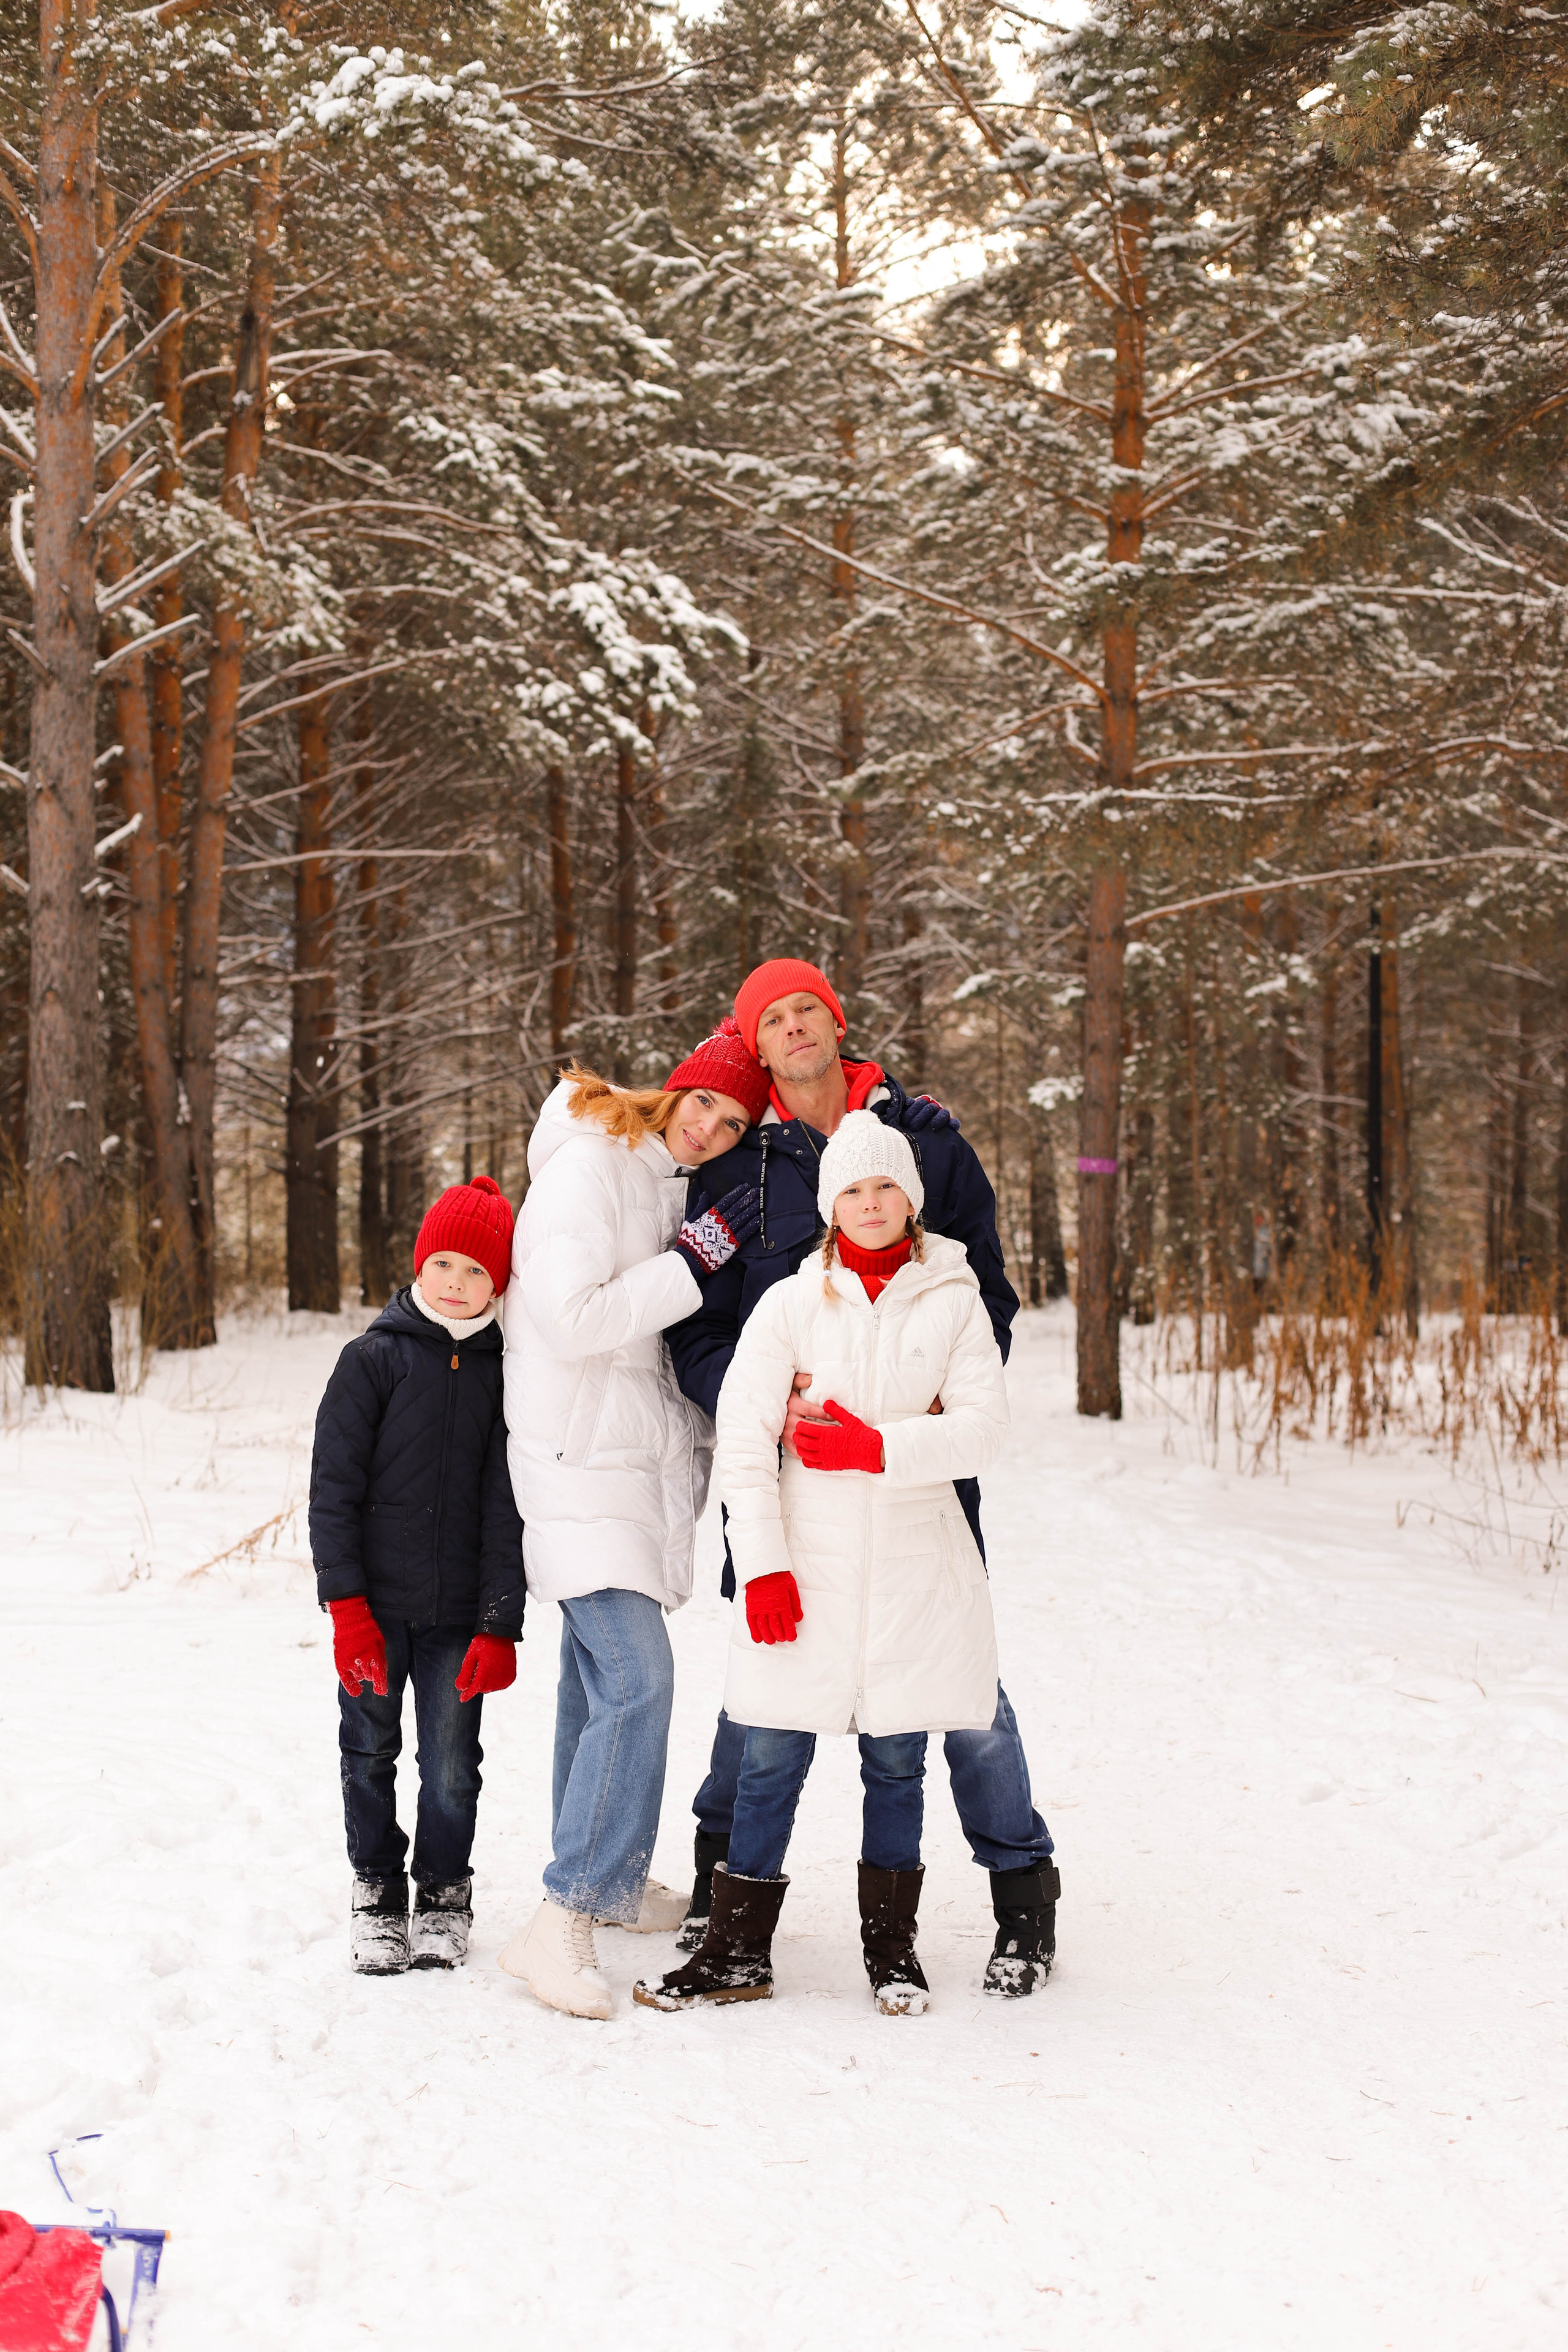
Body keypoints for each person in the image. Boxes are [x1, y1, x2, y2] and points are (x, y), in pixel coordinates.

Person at [668, 957, 1061, 1996]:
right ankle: (725, 1890)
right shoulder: (737, 1171)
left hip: (914, 1478)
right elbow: (702, 1331)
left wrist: (925, 1415)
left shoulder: (925, 1136)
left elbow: (984, 1295)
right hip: (794, 1483)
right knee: (769, 1675)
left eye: (810, 1011)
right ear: (754, 1044)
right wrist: (763, 1408)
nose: (795, 1030)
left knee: (962, 1689)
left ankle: (1022, 1890)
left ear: (836, 1024)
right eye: (774, 1020)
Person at [636, 1115, 1010, 2014]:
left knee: (897, 1764)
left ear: (911, 1199)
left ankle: (892, 1954)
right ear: (830, 1206)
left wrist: (877, 1448)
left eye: (885, 1188)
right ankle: (735, 1953)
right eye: (852, 1190)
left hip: (915, 1572)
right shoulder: (791, 1306)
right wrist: (762, 1567)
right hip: (804, 1567)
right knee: (767, 1759)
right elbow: (745, 1443)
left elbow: (984, 1429)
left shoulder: (954, 1300)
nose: (870, 1204)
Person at [496, 1023, 771, 2019]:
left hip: (618, 1459)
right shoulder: (590, 1166)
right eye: (704, 1103)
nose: (710, 1129)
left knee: (596, 1679)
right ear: (673, 1089)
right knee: (640, 1676)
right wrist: (693, 1263)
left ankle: (607, 1885)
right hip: (575, 1456)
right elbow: (570, 1319)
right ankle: (559, 1918)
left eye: (734, 1121)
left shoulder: (661, 1179)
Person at [309, 1174, 524, 1976]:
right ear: (418, 1264)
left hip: (459, 1616)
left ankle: (442, 1892)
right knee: (367, 1752)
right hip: (374, 1608)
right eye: (445, 1265)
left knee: (453, 1766)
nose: (459, 1284)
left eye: (477, 1272)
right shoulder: (373, 1360)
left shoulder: (508, 1376)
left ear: (498, 1283)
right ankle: (376, 1893)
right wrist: (346, 1608)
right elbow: (334, 1489)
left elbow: (510, 1509)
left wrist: (500, 1623)